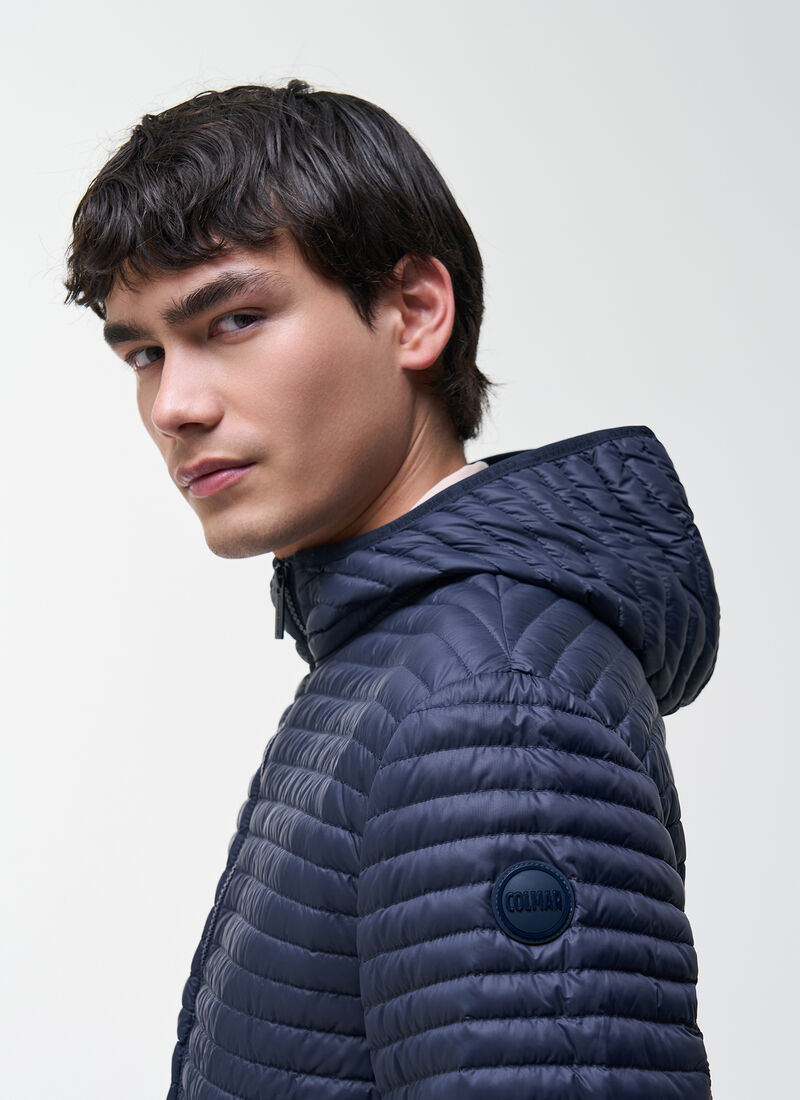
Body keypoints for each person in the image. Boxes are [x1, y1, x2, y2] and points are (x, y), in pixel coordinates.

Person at [66, 80, 719, 1100]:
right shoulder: (401, 653)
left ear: (413, 313)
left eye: (233, 319)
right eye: (144, 353)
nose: (174, 405)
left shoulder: (493, 696)